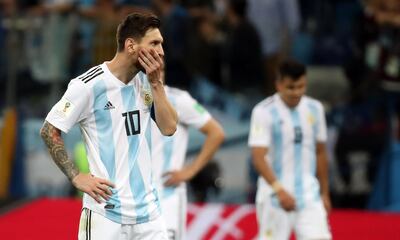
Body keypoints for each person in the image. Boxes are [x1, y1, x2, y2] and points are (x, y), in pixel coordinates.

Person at [40, 11, 178, 240]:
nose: (161, 52)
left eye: (161, 44)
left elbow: (169, 127)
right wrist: (76, 176)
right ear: (131, 45)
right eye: (154, 43)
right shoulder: (88, 85)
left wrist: (157, 83)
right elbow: (48, 130)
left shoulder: (148, 81)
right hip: (106, 214)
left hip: (149, 215)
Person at [248, 59, 331, 240]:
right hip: (274, 198)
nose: (297, 92)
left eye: (301, 86)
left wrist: (324, 192)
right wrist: (279, 190)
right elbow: (258, 157)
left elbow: (321, 152)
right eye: (291, 87)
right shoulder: (263, 111)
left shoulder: (315, 109)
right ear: (278, 85)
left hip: (309, 196)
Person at [152, 70, 225, 240]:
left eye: (159, 67)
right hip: (132, 200)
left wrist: (191, 171)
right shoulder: (125, 98)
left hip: (167, 195)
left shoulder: (178, 99)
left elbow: (216, 133)